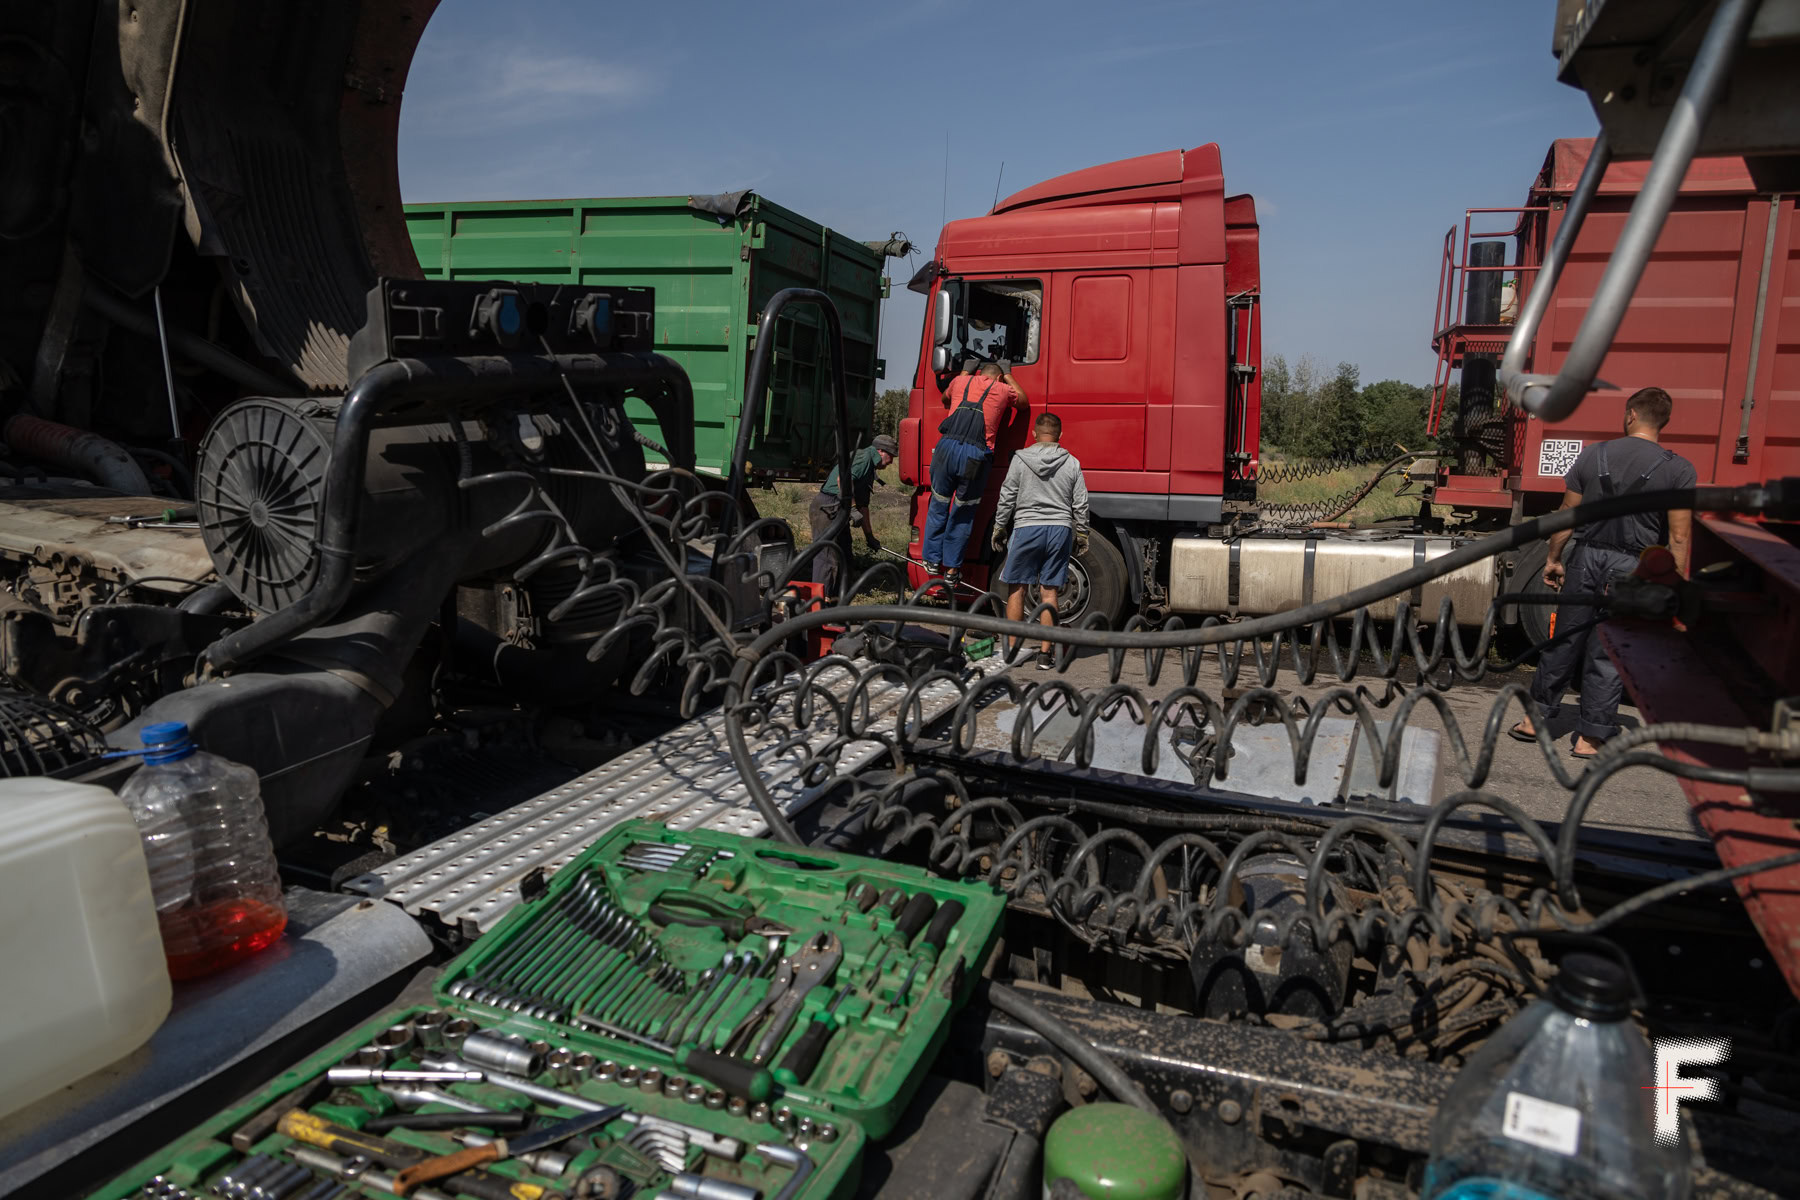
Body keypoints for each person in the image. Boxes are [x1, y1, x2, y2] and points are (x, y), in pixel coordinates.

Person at [1511, 386, 1695, 757]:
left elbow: (1567, 514)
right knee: (1608, 649)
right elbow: (1678, 536)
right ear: (1664, 422)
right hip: (1632, 566)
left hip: (1587, 556)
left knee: (1564, 639)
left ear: (1631, 415)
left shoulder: (1594, 455)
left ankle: (1534, 720)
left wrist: (1554, 558)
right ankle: (1590, 738)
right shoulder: (1679, 469)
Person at [992, 412, 1088, 670]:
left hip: (1026, 528)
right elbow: (1080, 502)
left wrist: (999, 526)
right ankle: (1045, 655)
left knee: (1017, 588)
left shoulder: (1020, 460)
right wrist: (1082, 533)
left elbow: (1007, 495)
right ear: (1060, 435)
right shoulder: (1072, 462)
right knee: (1049, 591)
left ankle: (1012, 651)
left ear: (1034, 434)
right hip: (1059, 529)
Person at [921, 360, 1025, 584]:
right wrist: (1008, 374)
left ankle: (931, 560)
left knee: (938, 504)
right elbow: (1023, 402)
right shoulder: (1002, 388)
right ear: (999, 377)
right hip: (974, 456)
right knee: (963, 512)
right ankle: (951, 570)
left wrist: (965, 371)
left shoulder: (960, 382)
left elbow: (945, 398)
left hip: (945, 449)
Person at [808, 434, 898, 600]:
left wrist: (869, 536)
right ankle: (819, 602)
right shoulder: (863, 458)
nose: (891, 461)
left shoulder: (870, 467)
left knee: (845, 554)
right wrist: (853, 508)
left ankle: (838, 601)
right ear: (880, 451)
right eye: (891, 456)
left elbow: (863, 506)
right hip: (828, 507)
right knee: (827, 555)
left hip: (841, 507)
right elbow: (843, 480)